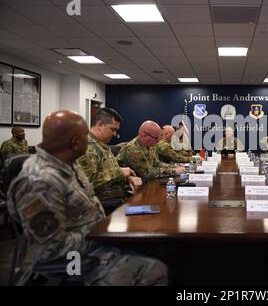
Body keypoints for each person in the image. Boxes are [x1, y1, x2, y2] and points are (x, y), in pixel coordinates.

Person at [7, 110, 168, 285]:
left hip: (95, 240)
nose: (90, 138)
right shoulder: (39, 181)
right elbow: (51, 249)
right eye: (86, 135)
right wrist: (103, 234)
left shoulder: (67, 165)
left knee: (158, 245)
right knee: (155, 270)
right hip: (76, 261)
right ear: (76, 142)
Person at [77, 108, 141, 203]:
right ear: (99, 125)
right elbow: (88, 182)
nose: (115, 134)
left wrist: (128, 178)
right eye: (112, 129)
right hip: (105, 205)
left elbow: (108, 171)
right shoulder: (88, 147)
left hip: (118, 198)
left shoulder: (101, 144)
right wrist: (119, 173)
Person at [117, 121, 185, 182]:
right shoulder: (134, 149)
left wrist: (173, 167)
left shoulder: (150, 145)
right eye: (156, 138)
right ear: (145, 136)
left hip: (143, 182)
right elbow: (147, 173)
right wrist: (174, 171)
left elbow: (157, 163)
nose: (158, 141)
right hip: (129, 187)